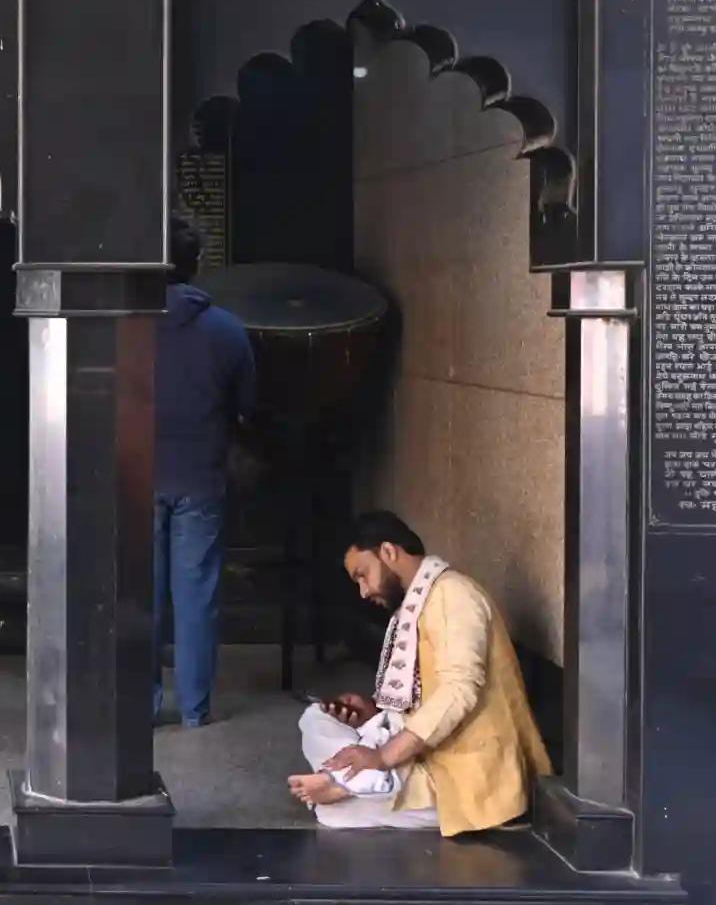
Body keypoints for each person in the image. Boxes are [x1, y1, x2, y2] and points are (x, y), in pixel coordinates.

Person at [287, 510, 554, 834]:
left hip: (462, 775)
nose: (364, 591)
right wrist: (373, 715)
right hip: (426, 755)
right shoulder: (416, 605)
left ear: (388, 552)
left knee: (334, 814)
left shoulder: (454, 595)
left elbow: (459, 691)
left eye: (362, 575)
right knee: (315, 718)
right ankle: (354, 779)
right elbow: (419, 698)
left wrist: (384, 757)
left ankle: (351, 782)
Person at [152, 218, 256, 728]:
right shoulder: (228, 329)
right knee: (197, 597)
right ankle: (195, 710)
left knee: (139, 593)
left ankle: (140, 703)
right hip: (201, 476)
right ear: (196, 265)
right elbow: (247, 407)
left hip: (134, 477)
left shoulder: (122, 324)